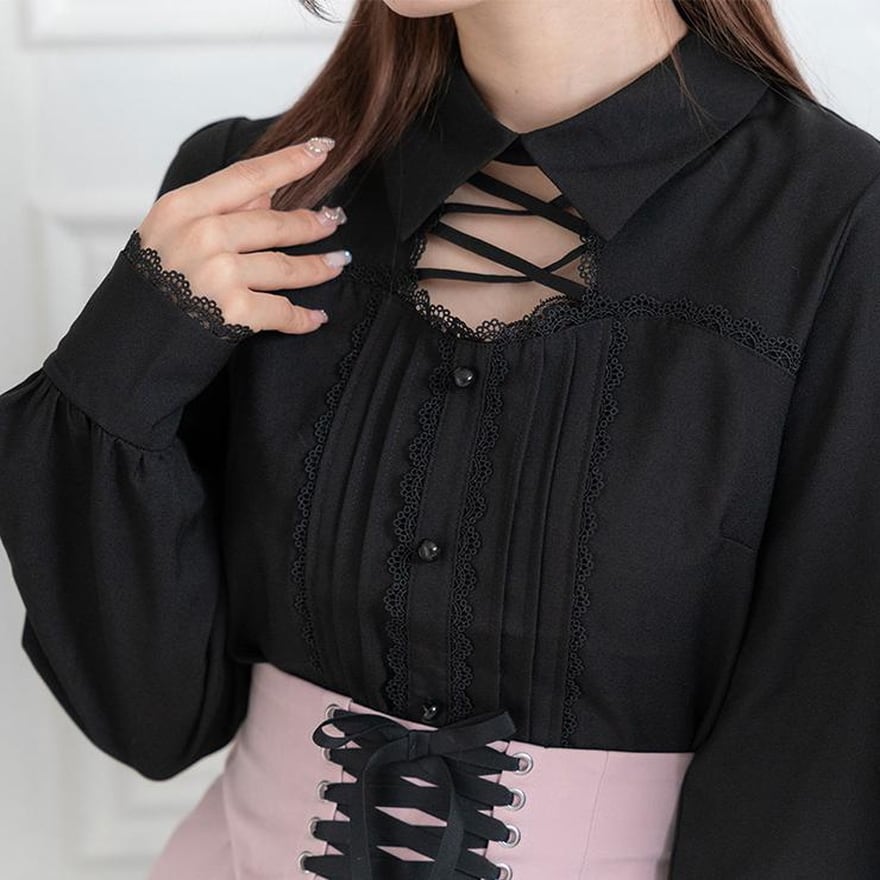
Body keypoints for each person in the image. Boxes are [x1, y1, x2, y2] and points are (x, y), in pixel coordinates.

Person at [1, 0, 879, 876]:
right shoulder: (243, 202)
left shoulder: (841, 231)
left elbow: (818, 766)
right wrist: (131, 347)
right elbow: (153, 721)